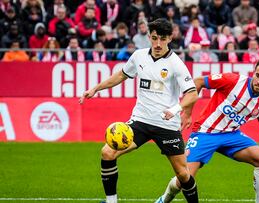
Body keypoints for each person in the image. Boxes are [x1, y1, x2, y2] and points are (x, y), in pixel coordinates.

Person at [79, 18, 199, 203]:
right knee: (107, 152)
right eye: (154, 38)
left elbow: (192, 94)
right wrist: (95, 89)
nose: (158, 43)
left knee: (183, 174)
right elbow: (121, 75)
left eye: (163, 39)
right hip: (140, 121)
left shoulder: (176, 64)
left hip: (166, 126)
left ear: (170, 38)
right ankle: (111, 201)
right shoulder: (139, 56)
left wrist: (176, 109)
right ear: (149, 37)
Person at [156, 58, 259, 203]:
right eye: (257, 75)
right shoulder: (233, 80)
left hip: (231, 135)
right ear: (253, 73)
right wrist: (188, 113)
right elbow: (198, 82)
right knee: (184, 177)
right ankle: (163, 200)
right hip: (205, 132)